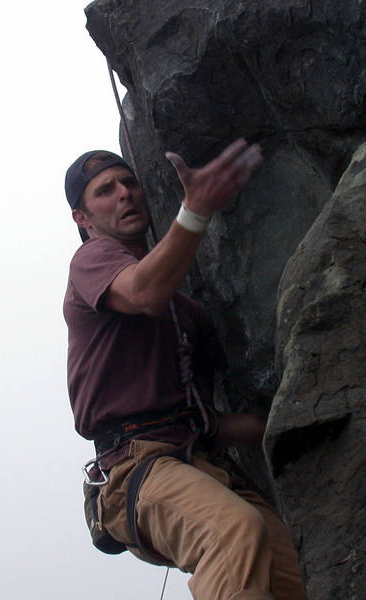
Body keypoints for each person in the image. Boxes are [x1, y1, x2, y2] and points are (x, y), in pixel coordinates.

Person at [63, 139, 304, 600]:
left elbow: (205, 423)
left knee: (298, 574)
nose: (124, 193)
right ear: (83, 218)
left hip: (199, 461)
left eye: (129, 183)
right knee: (232, 531)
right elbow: (143, 292)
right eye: (105, 191)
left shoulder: (187, 313)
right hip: (134, 468)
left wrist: (300, 417)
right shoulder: (91, 261)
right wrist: (195, 210)